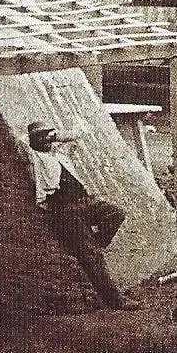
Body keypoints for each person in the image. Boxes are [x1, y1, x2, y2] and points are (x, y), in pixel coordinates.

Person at [25, 120, 141, 310]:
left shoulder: (58, 153)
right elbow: (23, 142)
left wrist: (54, 136)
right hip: (64, 209)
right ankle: (116, 300)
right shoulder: (34, 157)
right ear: (32, 141)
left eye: (47, 135)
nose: (45, 140)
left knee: (115, 213)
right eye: (39, 137)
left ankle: (95, 245)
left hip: (85, 201)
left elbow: (78, 134)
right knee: (92, 257)